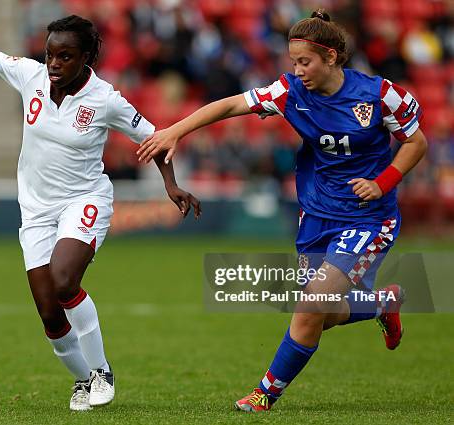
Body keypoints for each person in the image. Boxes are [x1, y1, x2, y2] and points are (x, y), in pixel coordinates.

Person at [137, 9, 427, 412]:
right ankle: (380, 303)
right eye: (293, 61)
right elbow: (229, 106)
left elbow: (416, 143)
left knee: (309, 308)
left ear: (331, 58)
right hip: (317, 217)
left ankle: (265, 393)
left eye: (304, 61)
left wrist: (382, 183)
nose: (297, 69)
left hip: (368, 218)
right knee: (319, 315)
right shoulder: (290, 91)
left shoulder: (380, 95)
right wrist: (175, 131)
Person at [0, 15, 201, 411]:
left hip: (83, 200)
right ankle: (82, 380)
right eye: (50, 54)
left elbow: (153, 137)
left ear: (86, 57)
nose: (53, 64)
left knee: (64, 280)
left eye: (65, 56)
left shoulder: (105, 100)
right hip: (35, 210)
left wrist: (170, 184)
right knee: (49, 312)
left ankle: (101, 372)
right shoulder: (30, 76)